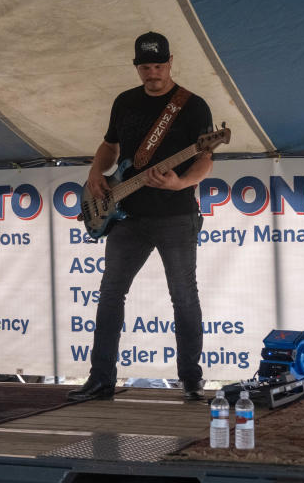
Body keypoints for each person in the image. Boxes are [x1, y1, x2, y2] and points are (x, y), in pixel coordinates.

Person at [68, 32, 214, 403]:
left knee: (183, 296)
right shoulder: (124, 102)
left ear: (170, 64)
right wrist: (95, 174)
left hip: (175, 216)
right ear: (137, 68)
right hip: (126, 214)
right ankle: (101, 379)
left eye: (159, 66)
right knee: (110, 295)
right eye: (146, 67)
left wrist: (180, 182)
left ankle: (191, 380)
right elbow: (110, 145)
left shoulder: (193, 106)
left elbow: (206, 158)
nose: (153, 74)